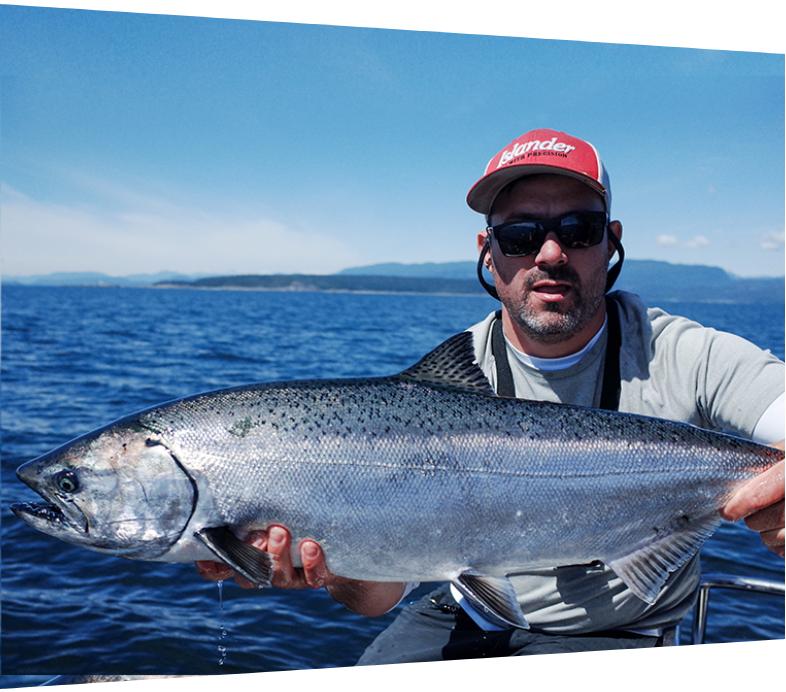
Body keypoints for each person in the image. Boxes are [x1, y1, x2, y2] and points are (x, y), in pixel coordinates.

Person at [197, 128, 785, 660]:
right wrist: (336, 567)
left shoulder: (682, 353)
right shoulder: (452, 375)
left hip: (616, 634)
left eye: (576, 231)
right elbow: (378, 599)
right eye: (522, 235)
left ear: (611, 242)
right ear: (489, 249)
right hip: (470, 611)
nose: (549, 254)